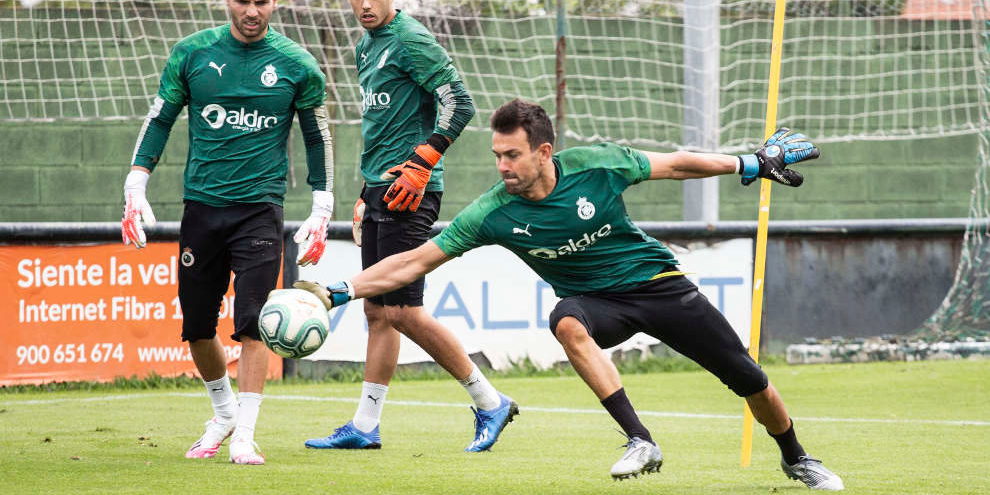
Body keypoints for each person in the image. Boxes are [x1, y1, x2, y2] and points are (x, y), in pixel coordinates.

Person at [295, 99, 845, 490]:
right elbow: (414, 261)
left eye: (512, 155)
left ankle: (797, 458)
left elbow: (676, 165)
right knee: (565, 322)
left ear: (544, 152)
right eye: (497, 156)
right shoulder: (493, 211)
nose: (503, 166)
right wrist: (335, 291)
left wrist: (749, 163)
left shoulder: (597, 165)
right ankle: (639, 440)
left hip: (656, 286)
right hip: (594, 303)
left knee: (749, 380)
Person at [120, 0, 336, 465]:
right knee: (196, 326)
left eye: (262, 2)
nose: (252, 11)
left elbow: (317, 136)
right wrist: (135, 182)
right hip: (203, 207)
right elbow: (159, 119)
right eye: (243, 1)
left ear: (275, 0)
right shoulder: (191, 54)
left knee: (254, 322)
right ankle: (223, 414)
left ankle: (246, 434)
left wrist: (322, 201)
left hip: (260, 209)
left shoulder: (297, 64)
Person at [301, 0, 517, 453]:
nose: (365, 3)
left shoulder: (411, 39)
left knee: (404, 312)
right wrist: (362, 194)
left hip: (410, 189)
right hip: (380, 189)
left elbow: (460, 102)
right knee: (378, 312)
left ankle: (489, 401)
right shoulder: (365, 47)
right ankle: (365, 425)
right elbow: (381, 127)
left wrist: (423, 160)